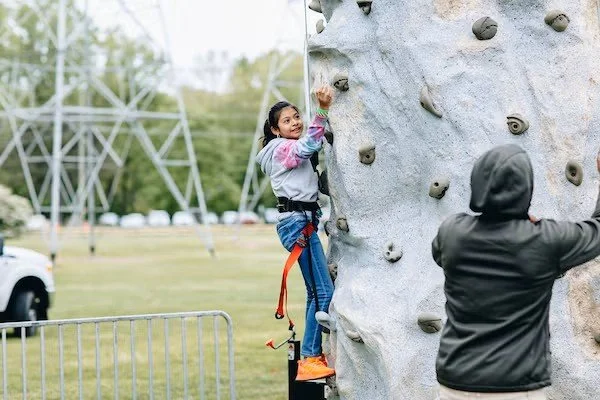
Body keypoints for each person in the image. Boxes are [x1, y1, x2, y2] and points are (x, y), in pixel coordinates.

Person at [432, 144, 600, 400]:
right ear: (525, 188)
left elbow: (440, 257)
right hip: (516, 388)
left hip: (455, 384)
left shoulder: (452, 233)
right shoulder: (545, 241)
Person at [256, 85, 335, 381]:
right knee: (324, 292)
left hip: (301, 221)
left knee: (316, 291)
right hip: (298, 223)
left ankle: (312, 356)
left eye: (297, 117)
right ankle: (310, 359)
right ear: (276, 130)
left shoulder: (283, 147)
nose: (295, 123)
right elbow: (306, 148)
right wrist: (322, 110)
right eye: (287, 121)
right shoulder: (282, 149)